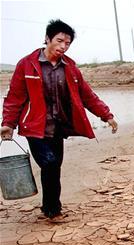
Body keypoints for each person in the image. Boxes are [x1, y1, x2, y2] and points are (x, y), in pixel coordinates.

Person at [1, 19, 118, 220]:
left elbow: (87, 95)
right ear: (47, 39)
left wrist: (107, 115)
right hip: (34, 127)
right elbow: (15, 97)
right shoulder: (27, 64)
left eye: (68, 43)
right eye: (60, 41)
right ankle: (53, 210)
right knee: (50, 163)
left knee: (54, 167)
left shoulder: (70, 67)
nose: (63, 46)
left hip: (58, 127)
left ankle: (50, 208)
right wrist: (8, 124)